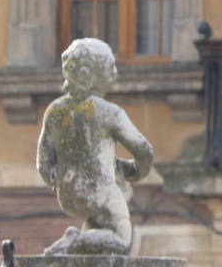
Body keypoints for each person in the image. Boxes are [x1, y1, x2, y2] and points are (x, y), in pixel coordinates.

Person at [36, 37, 153, 255]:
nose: (115, 74)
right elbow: (144, 151)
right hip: (102, 192)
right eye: (110, 69)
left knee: (98, 229)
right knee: (122, 239)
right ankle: (77, 239)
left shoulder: (54, 111)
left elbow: (43, 163)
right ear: (89, 75)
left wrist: (58, 179)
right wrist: (132, 171)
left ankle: (83, 239)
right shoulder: (109, 112)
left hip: (68, 197)